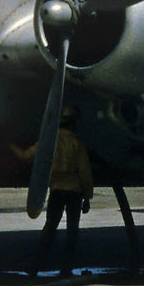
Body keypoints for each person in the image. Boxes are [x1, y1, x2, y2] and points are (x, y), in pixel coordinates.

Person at [34, 112, 94, 276]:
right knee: (72, 231)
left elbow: (31, 156)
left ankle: (36, 265)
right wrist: (87, 197)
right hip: (74, 192)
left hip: (57, 190)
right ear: (72, 125)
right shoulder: (77, 143)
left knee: (50, 228)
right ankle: (66, 268)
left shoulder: (50, 142)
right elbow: (85, 172)